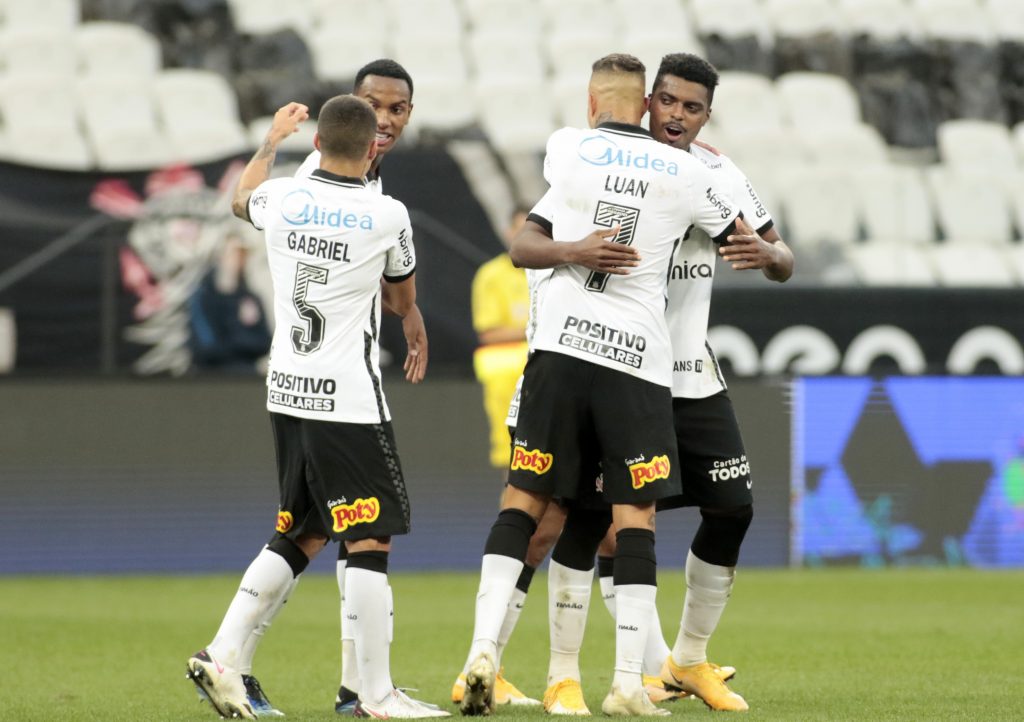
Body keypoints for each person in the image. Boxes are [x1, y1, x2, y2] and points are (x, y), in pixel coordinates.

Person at [457, 53, 740, 718]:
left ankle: (484, 654)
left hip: (556, 354)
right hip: (636, 362)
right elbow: (743, 238)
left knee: (529, 507)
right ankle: (624, 683)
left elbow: (526, 244)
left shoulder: (567, 152)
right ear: (649, 108)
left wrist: (577, 250)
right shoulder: (689, 170)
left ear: (591, 104)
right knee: (628, 519)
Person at [520, 52, 795, 714]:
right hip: (617, 367)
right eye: (666, 101)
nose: (675, 114)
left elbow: (782, 256)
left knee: (734, 508)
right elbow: (533, 235)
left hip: (691, 375)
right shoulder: (598, 162)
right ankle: (580, 676)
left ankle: (687, 660)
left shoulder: (720, 175)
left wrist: (768, 256)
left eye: (691, 107)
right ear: (645, 104)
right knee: (593, 523)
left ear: (705, 115)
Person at [185, 95, 447, 720]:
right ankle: (374, 696)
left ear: (319, 143)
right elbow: (400, 294)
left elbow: (240, 198)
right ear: (371, 147)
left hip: (287, 390)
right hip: (348, 396)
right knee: (371, 533)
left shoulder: (283, 197)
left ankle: (223, 653)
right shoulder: (387, 214)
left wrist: (273, 139)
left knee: (304, 529)